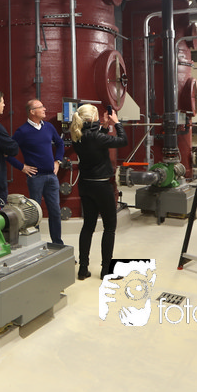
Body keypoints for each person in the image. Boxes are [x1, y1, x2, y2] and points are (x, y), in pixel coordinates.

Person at [69, 103, 127, 280]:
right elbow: (122, 141)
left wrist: (104, 126)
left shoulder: (77, 135)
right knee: (109, 227)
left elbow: (95, 141)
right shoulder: (96, 137)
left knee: (88, 226)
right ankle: (106, 270)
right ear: (93, 118)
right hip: (102, 186)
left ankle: (83, 269)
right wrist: (116, 123)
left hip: (86, 185)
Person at [12, 99, 65, 245]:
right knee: (35, 213)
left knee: (55, 211)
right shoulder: (22, 131)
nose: (44, 109)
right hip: (35, 178)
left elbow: (60, 143)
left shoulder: (48, 127)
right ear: (32, 112)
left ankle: (57, 244)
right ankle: (36, 245)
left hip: (51, 177)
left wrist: (58, 161)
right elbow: (7, 152)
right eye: (41, 107)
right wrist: (21, 167)